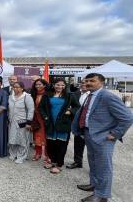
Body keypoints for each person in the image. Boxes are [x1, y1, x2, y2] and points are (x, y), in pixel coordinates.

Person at [72, 73, 133, 202]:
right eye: (86, 81)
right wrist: (83, 129)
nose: (88, 83)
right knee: (93, 162)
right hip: (89, 134)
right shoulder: (90, 95)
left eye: (92, 81)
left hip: (104, 137)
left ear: (102, 83)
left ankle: (102, 195)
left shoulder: (108, 97)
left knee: (104, 166)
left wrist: (114, 134)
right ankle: (94, 184)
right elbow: (87, 114)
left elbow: (127, 117)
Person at [38, 78, 80, 174]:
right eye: (58, 85)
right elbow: (41, 107)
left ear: (65, 86)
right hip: (50, 121)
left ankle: (59, 164)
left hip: (63, 122)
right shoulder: (47, 95)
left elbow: (77, 106)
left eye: (62, 85)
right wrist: (45, 117)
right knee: (51, 143)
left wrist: (70, 111)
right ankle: (53, 161)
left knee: (61, 144)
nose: (60, 87)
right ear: (53, 85)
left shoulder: (69, 95)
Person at [8, 81, 34, 163]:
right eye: (14, 87)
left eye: (17, 87)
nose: (15, 89)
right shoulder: (10, 97)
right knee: (12, 139)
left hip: (22, 121)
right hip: (12, 121)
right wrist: (7, 119)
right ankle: (13, 153)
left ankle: (22, 156)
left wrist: (29, 122)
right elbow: (8, 109)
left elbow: (31, 110)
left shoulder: (27, 97)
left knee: (22, 140)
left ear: (22, 88)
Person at [66, 78, 89, 169]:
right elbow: (70, 106)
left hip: (91, 124)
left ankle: (95, 167)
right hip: (78, 122)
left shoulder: (94, 95)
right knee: (78, 143)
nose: (83, 84)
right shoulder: (74, 94)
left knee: (93, 145)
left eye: (86, 82)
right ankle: (78, 161)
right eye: (82, 83)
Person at [30, 79, 50, 163]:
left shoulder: (49, 94)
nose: (38, 86)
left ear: (45, 85)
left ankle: (48, 155)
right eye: (36, 85)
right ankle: (38, 154)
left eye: (40, 84)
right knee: (37, 136)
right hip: (36, 118)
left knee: (47, 137)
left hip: (46, 118)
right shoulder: (33, 94)